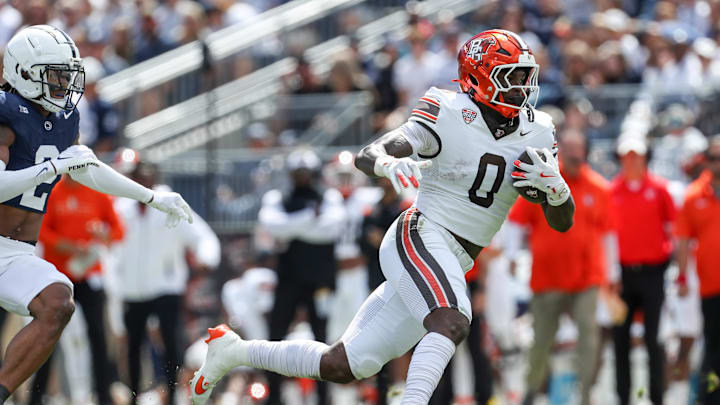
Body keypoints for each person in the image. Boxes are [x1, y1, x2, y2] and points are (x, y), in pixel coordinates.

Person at [190, 29, 575, 405]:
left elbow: (562, 222)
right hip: (422, 235)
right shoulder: (450, 110)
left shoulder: (538, 132)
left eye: (527, 76)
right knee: (453, 319)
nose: (524, 87)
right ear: (479, 77)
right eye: (513, 77)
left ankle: (235, 351)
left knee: (344, 363)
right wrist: (387, 161)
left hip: (454, 258)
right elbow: (371, 153)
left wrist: (558, 190)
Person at [0, 25, 192, 405]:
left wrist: (151, 196)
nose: (63, 84)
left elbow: (85, 167)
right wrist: (51, 168)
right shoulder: (6, 113)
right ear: (22, 72)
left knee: (58, 301)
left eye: (66, 75)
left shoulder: (64, 119)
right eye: (53, 74)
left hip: (15, 252)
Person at [506, 129, 614, 405]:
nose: (574, 154)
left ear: (586, 151)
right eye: (568, 148)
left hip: (586, 277)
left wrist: (613, 275)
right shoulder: (543, 181)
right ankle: (531, 392)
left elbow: (608, 233)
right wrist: (512, 256)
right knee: (540, 341)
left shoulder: (598, 187)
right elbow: (518, 220)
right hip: (547, 277)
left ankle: (587, 395)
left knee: (589, 337)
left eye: (578, 148)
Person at [110, 159, 220, 405]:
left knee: (171, 341)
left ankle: (172, 395)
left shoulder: (169, 202)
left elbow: (201, 234)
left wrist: (206, 258)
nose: (144, 182)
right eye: (139, 177)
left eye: (148, 177)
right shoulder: (122, 207)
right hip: (133, 289)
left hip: (166, 285)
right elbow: (112, 245)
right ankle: (134, 395)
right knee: (134, 345)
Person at [255, 148, 346, 405]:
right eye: (298, 173)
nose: (303, 178)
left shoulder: (329, 196)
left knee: (323, 340)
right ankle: (274, 397)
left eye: (307, 172)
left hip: (320, 282)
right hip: (289, 279)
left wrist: (292, 228)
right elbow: (272, 226)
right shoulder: (278, 198)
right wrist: (309, 218)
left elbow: (331, 229)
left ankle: (324, 398)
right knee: (275, 335)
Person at [31, 174, 125, 405]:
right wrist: (64, 245)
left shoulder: (98, 193)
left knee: (98, 337)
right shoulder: (53, 193)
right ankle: (36, 397)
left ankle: (104, 396)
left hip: (90, 275)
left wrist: (103, 236)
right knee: (49, 335)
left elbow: (118, 231)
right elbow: (41, 230)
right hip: (59, 276)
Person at [610, 137, 675, 405]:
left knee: (653, 339)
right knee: (620, 340)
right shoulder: (611, 191)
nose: (632, 161)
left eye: (637, 156)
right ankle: (623, 397)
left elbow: (674, 230)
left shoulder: (660, 190)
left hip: (653, 272)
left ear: (645, 157)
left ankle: (657, 396)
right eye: (627, 156)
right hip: (622, 277)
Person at [675, 135, 720, 405]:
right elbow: (681, 240)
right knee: (713, 349)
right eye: (714, 158)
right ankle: (708, 398)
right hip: (711, 284)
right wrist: (682, 277)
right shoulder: (693, 195)